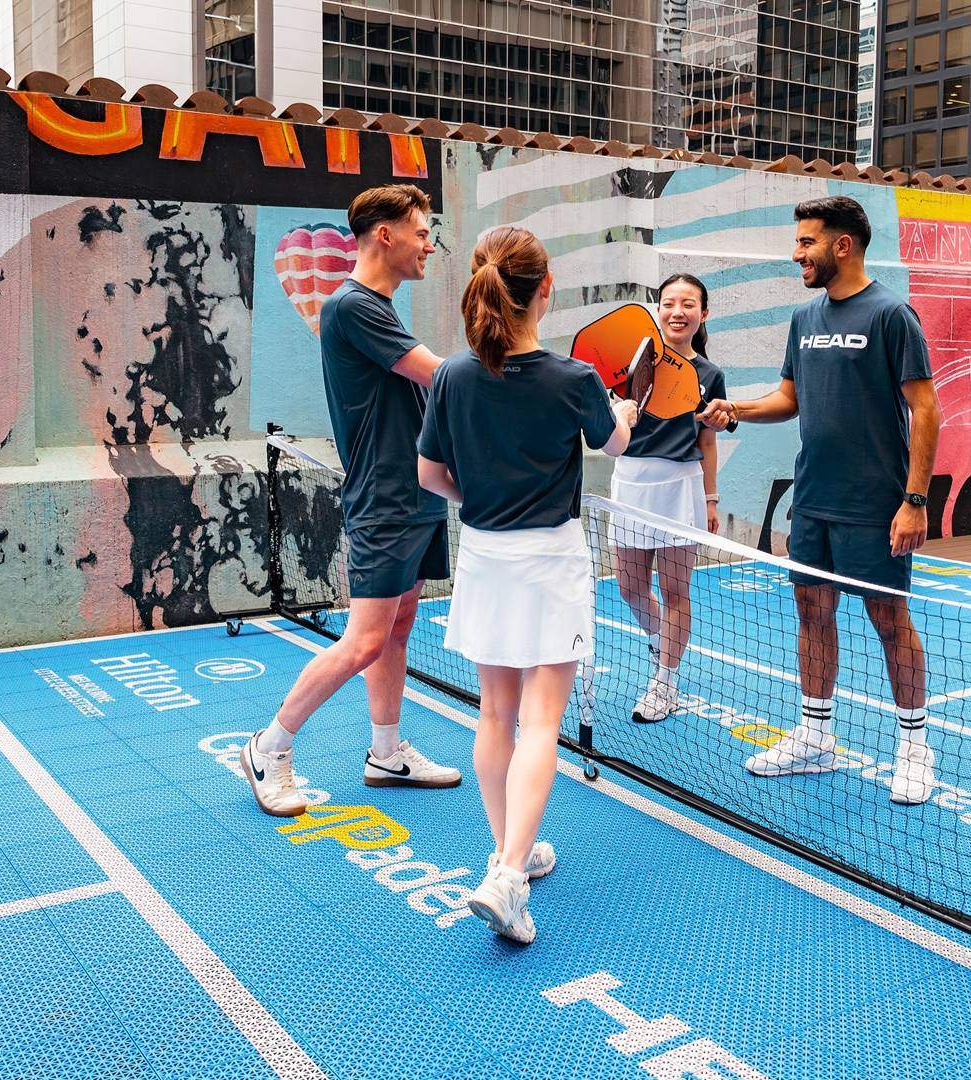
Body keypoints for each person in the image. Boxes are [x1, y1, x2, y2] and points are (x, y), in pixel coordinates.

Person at [416, 226, 639, 943]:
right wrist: (624, 411)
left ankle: (509, 850)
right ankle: (510, 875)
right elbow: (614, 444)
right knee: (542, 722)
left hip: (482, 555)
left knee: (494, 717)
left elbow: (430, 476)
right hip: (550, 561)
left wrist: (481, 503)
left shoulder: (450, 374)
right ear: (545, 289)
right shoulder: (574, 380)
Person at [698, 196, 942, 806]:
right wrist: (739, 410)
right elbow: (790, 398)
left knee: (889, 621)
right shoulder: (805, 318)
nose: (796, 253)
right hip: (813, 500)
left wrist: (914, 500)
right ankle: (815, 735)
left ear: (843, 245)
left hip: (875, 503)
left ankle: (914, 749)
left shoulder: (891, 314)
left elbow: (926, 408)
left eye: (807, 242)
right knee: (813, 613)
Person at [242, 184, 463, 816]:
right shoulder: (352, 305)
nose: (429, 244)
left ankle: (386, 753)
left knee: (398, 628)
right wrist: (524, 378)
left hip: (417, 492)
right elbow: (442, 376)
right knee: (366, 638)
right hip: (385, 497)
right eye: (421, 232)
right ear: (385, 235)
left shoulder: (384, 308)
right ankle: (269, 746)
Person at [611, 274, 730, 724]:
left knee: (675, 590)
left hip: (681, 485)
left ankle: (665, 680)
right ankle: (664, 644)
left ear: (703, 313)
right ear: (657, 308)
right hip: (631, 482)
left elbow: (708, 441)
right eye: (669, 303)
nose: (677, 311)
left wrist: (711, 499)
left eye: (688, 304)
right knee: (630, 588)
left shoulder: (710, 374)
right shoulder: (635, 362)